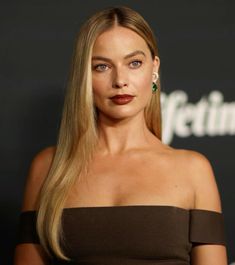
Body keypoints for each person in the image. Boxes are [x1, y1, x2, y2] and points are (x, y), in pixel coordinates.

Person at [14, 5, 228, 265]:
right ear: (84, 76)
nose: (120, 80)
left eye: (134, 63)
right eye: (102, 67)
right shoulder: (48, 167)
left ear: (154, 68)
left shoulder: (194, 170)